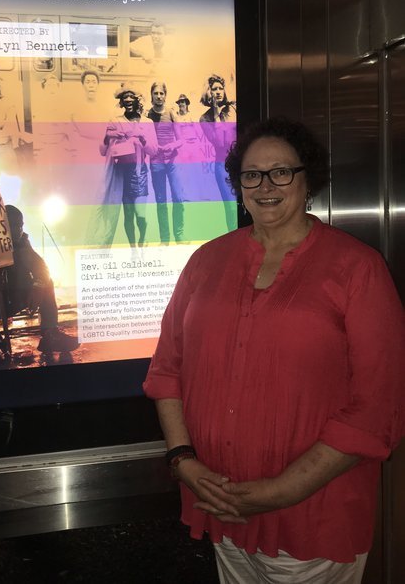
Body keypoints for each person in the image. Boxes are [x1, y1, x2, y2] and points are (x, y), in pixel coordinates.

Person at [144, 117, 405, 584]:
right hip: (220, 505)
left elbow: (377, 408)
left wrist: (280, 492)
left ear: (309, 181)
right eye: (251, 174)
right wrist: (183, 459)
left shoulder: (357, 269)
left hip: (311, 516)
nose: (265, 185)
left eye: (281, 172)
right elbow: (167, 370)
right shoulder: (206, 261)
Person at [0, 204, 77, 364]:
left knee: (46, 282)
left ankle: (50, 333)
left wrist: (37, 285)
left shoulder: (22, 242)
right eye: (14, 225)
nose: (19, 229)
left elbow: (41, 266)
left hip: (14, 299)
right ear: (2, 225)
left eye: (20, 225)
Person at [86, 83, 157, 248]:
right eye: (125, 98)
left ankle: (142, 240)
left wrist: (143, 138)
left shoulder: (147, 122)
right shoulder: (115, 121)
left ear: (138, 100)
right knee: (126, 215)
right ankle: (131, 248)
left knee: (141, 215)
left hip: (139, 173)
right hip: (120, 175)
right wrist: (107, 137)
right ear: (122, 102)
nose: (129, 100)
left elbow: (153, 151)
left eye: (132, 97)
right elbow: (103, 151)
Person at [147, 82, 186, 244]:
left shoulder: (171, 113)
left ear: (165, 95)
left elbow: (181, 140)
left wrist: (171, 145)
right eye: (156, 93)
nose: (159, 96)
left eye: (161, 93)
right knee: (161, 201)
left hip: (172, 162)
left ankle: (179, 236)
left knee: (178, 197)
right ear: (152, 96)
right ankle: (165, 239)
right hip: (156, 163)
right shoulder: (147, 115)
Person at [199, 74, 238, 231]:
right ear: (209, 93)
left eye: (220, 88)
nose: (218, 92)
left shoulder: (235, 109)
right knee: (231, 208)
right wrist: (216, 114)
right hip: (223, 166)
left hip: (243, 163)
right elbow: (220, 143)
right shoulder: (205, 118)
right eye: (214, 89)